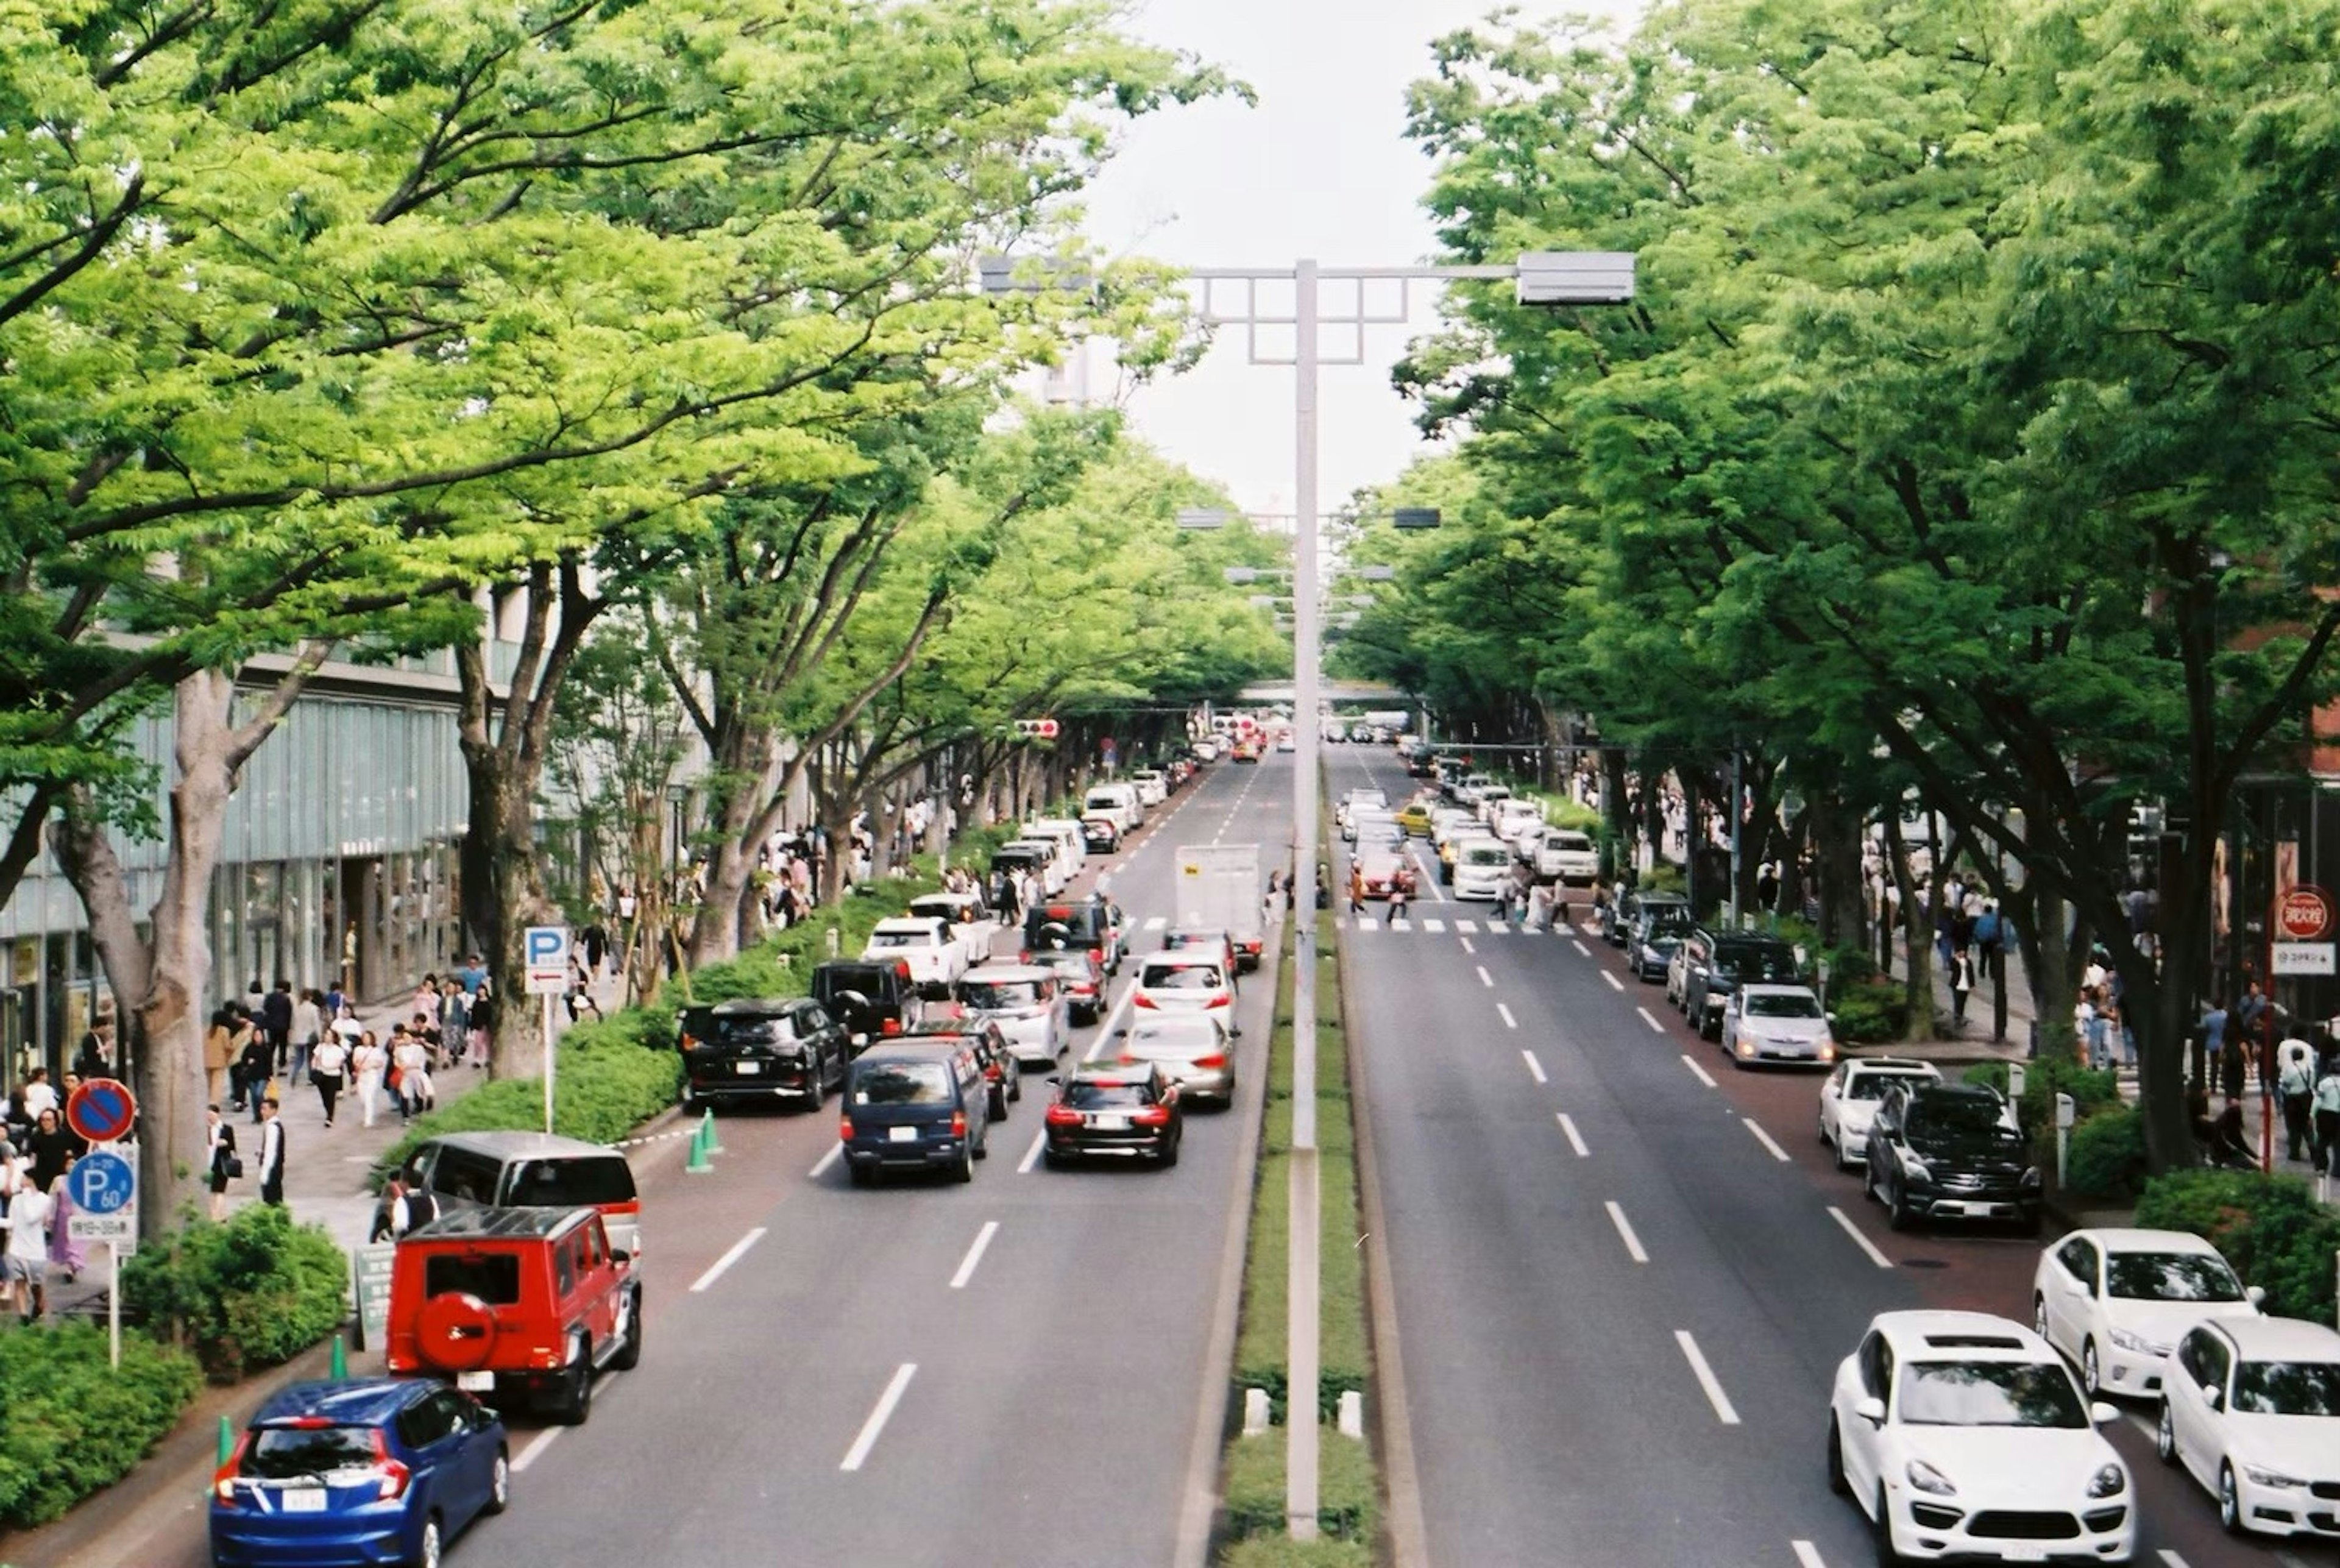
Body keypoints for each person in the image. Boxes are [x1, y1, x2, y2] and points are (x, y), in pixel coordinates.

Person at [1, 1163, 52, 1323]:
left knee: (36, 1286)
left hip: (36, 1251)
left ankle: (38, 1305)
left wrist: (27, 1195)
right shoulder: (16, 1200)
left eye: (24, 1177)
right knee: (19, 1283)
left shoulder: (45, 1200)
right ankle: (23, 1316)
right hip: (17, 1249)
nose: (21, 1180)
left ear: (31, 1180)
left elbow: (31, 1218)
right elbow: (12, 1222)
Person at [46, 1151, 85, 1284]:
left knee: (75, 1242)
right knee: (64, 1242)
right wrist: (50, 1216)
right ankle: (69, 1265)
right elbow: (52, 1199)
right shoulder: (59, 1180)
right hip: (62, 1215)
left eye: (74, 1164)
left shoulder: (83, 1180)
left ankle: (72, 1268)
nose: (71, 1166)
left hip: (78, 1216)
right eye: (69, 1164)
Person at [237, 1022, 275, 1126]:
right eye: (256, 1035)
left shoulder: (266, 1048)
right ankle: (257, 1116)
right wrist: (248, 1062)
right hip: (251, 1076)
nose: (258, 1038)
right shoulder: (249, 1048)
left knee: (259, 1094)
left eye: (259, 1035)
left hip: (263, 1076)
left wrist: (270, 1076)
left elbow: (269, 1063)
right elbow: (243, 1060)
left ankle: (264, 1111)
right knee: (254, 1096)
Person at [309, 1027, 347, 1128]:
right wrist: (314, 1067)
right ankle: (328, 1110)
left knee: (331, 1096)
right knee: (324, 1096)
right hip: (322, 1074)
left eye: (329, 1035)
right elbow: (315, 1058)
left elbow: (339, 1063)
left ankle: (330, 1117)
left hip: (333, 1075)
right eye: (326, 1035)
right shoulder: (320, 1047)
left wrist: (328, 1066)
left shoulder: (338, 1050)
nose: (327, 1037)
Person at [391, 1029, 433, 1121]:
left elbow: (421, 1062)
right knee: (405, 1095)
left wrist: (410, 1065)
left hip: (417, 1074)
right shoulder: (399, 1050)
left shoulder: (418, 1048)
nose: (406, 1039)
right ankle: (405, 1116)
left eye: (408, 1037)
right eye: (404, 1037)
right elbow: (396, 1062)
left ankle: (420, 1110)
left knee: (420, 1093)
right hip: (406, 1074)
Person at [206, 1104, 238, 1221]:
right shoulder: (205, 1129)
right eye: (208, 1115)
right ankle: (220, 1215)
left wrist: (225, 1143)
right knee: (211, 1192)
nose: (210, 1118)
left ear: (217, 1115)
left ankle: (216, 1217)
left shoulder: (226, 1129)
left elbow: (233, 1146)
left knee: (219, 1191)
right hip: (208, 1164)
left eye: (212, 1115)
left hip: (220, 1164)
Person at [352, 1031, 388, 1129]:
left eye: (368, 1038)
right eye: (364, 1038)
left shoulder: (376, 1050)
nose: (366, 1040)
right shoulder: (358, 1049)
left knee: (369, 1097)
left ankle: (369, 1120)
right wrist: (360, 1065)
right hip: (361, 1076)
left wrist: (371, 1065)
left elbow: (380, 1063)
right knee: (362, 1098)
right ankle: (368, 1112)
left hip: (372, 1075)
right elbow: (355, 1061)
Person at [289, 985, 322, 1089]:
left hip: (297, 1036)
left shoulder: (297, 1008)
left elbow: (293, 1023)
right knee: (310, 1058)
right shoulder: (314, 1008)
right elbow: (316, 1024)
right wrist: (320, 1036)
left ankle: (294, 1074)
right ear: (310, 997)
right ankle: (310, 1078)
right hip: (309, 1036)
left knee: (299, 1058)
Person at [255, 1098, 286, 1207]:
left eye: (265, 1109)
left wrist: (265, 1173)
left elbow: (271, 1153)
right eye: (262, 1109)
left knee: (272, 1200)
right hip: (276, 1167)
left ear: (274, 1110)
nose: (262, 1112)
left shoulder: (273, 1127)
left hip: (272, 1168)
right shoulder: (272, 1125)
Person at [2313, 1053, 2340, 1177]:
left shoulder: (2324, 1083)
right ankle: (2337, 1170)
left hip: (2325, 1114)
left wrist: (2312, 1114)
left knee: (2322, 1142)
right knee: (2338, 1143)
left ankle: (2321, 1167)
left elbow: (2318, 1101)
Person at [263, 977, 294, 1077]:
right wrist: (289, 1027)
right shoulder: (286, 998)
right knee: (282, 1047)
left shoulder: (269, 997)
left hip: (271, 1026)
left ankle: (268, 1067)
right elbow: (289, 1013)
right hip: (283, 1026)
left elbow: (266, 1009)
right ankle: (281, 1067)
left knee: (271, 1047)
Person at [1949, 943, 1975, 1029]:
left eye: (1963, 951)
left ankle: (1961, 1016)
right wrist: (1956, 960)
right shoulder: (1954, 961)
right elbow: (1951, 968)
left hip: (1965, 985)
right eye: (1960, 952)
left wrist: (1972, 985)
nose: (1962, 953)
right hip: (1957, 985)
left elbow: (1971, 974)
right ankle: (1957, 1017)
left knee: (1963, 1002)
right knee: (1957, 1002)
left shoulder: (1968, 961)